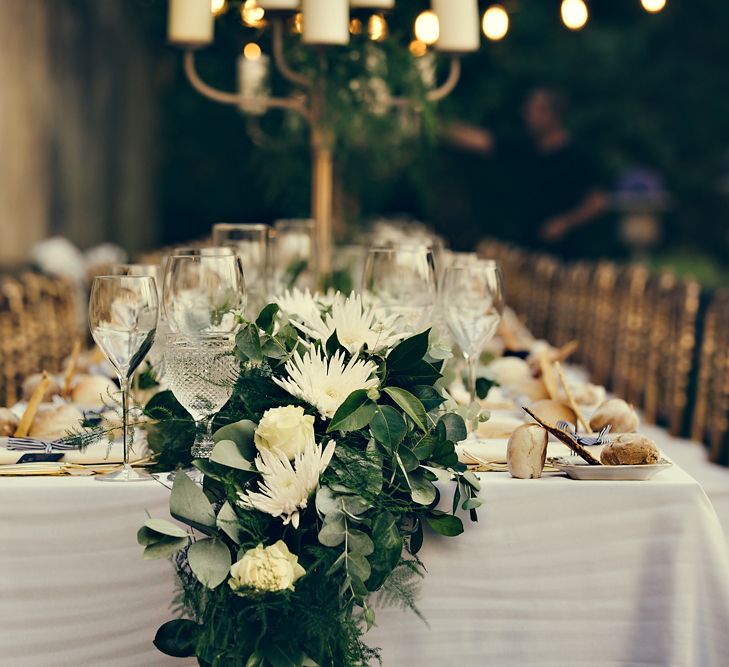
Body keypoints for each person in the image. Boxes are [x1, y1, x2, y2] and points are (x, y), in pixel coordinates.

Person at [443, 87, 610, 257]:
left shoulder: (579, 157)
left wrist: (565, 223)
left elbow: (598, 201)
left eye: (534, 110)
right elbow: (479, 141)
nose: (527, 115)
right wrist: (432, 122)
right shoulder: (524, 148)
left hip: (566, 256)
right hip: (524, 251)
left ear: (553, 114)